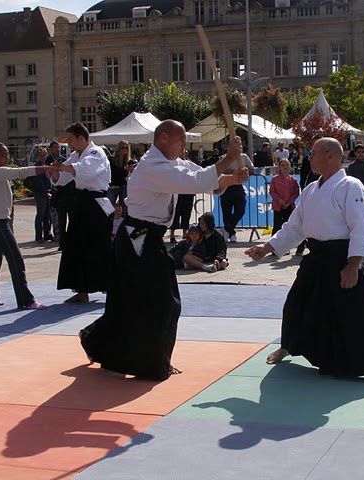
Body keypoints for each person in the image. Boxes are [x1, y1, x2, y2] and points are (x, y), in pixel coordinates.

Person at [79, 120, 248, 380]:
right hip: (138, 239)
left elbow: (202, 178)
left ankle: (97, 342)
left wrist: (232, 177)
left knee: (130, 300)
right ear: (164, 138)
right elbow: (194, 182)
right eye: (180, 140)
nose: (183, 145)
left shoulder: (170, 163)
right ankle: (151, 363)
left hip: (146, 239)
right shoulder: (151, 166)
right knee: (163, 303)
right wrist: (228, 158)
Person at [245, 137, 364, 384]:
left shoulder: (351, 186)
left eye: (313, 153)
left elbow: (361, 227)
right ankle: (290, 345)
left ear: (330, 156)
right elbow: (295, 226)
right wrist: (268, 246)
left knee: (361, 311)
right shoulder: (312, 189)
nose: (309, 157)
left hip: (343, 257)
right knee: (297, 303)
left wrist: (354, 265)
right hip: (317, 257)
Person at [0, 142, 49, 310]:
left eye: (7, 154)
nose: (7, 157)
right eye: (3, 154)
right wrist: (45, 168)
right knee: (16, 260)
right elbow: (20, 172)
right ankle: (26, 300)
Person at [48, 123, 114, 304]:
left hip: (96, 205)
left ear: (81, 138)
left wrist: (63, 167)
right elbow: (63, 179)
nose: (68, 143)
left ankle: (111, 287)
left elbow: (86, 170)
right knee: (75, 246)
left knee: (99, 247)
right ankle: (82, 290)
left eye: (70, 139)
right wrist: (55, 173)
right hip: (81, 204)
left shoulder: (96, 153)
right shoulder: (75, 155)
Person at [220, 151, 254, 243]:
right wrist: (235, 172)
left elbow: (252, 170)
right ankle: (231, 234)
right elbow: (220, 170)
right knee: (226, 212)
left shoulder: (244, 157)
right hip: (226, 185)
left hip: (238, 185)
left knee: (240, 210)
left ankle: (227, 229)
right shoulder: (224, 157)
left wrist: (245, 171)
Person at [47, 141, 74, 251]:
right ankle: (62, 243)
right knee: (60, 221)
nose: (57, 149)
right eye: (55, 148)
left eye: (58, 147)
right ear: (51, 149)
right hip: (58, 196)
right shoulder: (48, 160)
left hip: (70, 195)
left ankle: (71, 242)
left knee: (72, 221)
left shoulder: (64, 160)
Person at [170, 150, 196, 243]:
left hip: (188, 192)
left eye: (185, 153)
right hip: (178, 192)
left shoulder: (190, 163)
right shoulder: (173, 163)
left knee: (186, 214)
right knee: (175, 214)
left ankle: (185, 235)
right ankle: (172, 235)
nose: (183, 154)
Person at [270, 158, 300, 235]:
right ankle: (273, 245)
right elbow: (272, 192)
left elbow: (296, 193)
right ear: (279, 167)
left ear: (290, 166)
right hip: (278, 206)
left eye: (287, 165)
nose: (285, 167)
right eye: (283, 165)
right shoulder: (275, 179)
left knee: (289, 226)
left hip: (289, 206)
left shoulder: (293, 180)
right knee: (277, 226)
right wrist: (279, 200)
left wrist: (289, 202)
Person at [31, 148, 53, 243]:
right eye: (41, 155)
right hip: (40, 193)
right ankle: (39, 236)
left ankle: (47, 234)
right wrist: (46, 192)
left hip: (48, 192)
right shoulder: (38, 167)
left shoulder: (46, 165)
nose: (43, 157)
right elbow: (39, 182)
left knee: (47, 215)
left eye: (44, 155)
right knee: (40, 214)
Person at [108, 140, 130, 211]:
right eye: (122, 147)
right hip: (113, 187)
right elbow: (112, 172)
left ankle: (122, 221)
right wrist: (124, 169)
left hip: (123, 187)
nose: (125, 149)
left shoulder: (128, 161)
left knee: (124, 208)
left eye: (126, 148)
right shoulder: (111, 159)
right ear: (118, 148)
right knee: (109, 208)